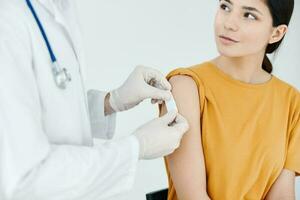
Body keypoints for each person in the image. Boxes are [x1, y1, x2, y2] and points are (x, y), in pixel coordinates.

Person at [0, 0, 189, 199]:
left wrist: (111, 101)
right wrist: (136, 148)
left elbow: (46, 115)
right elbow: (26, 179)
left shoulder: (63, 8)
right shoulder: (8, 20)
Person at [160, 0, 299, 199]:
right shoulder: (186, 87)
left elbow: (281, 196)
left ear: (276, 33)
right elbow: (192, 197)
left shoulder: (292, 103)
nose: (229, 23)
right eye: (226, 7)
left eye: (249, 15)